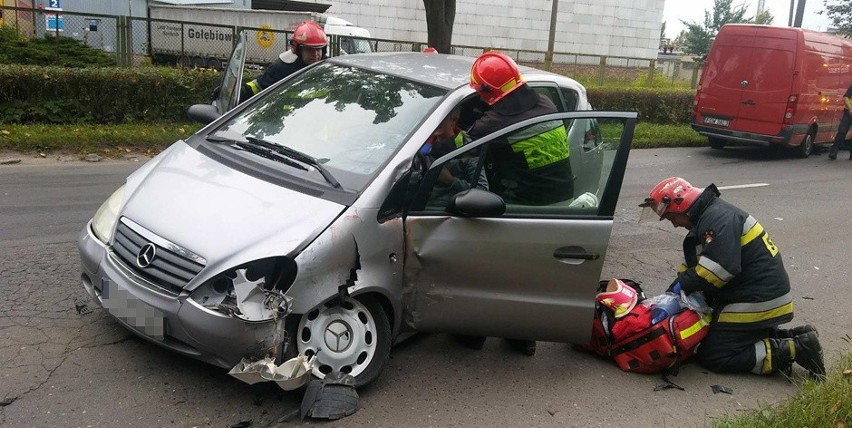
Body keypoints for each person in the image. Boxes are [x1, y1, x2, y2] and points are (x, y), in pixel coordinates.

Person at [639, 177, 825, 380]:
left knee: (715, 355)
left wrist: (683, 284)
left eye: (671, 218)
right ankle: (796, 336)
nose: (673, 224)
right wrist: (675, 289)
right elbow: (697, 266)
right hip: (756, 294)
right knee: (711, 336)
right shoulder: (711, 217)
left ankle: (796, 348)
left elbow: (719, 270)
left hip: (758, 301)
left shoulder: (717, 220)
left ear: (680, 205)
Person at [466, 51, 573, 206]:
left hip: (529, 206)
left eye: (479, 92)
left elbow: (461, 145)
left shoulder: (495, 122)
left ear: (487, 91)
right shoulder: (545, 103)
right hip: (566, 199)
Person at [239, 21, 327, 103]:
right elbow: (257, 87)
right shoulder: (281, 68)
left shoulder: (327, 68)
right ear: (299, 50)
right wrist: (240, 96)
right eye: (310, 49)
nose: (315, 54)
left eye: (318, 49)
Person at [421, 107, 488, 208]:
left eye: (442, 119)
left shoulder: (467, 148)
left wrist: (451, 181)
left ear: (453, 120)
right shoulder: (420, 145)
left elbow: (482, 191)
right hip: (418, 208)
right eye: (433, 119)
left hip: (448, 212)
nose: (436, 123)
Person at [828, 84, 852, 160]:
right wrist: (850, 108)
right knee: (842, 131)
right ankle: (834, 151)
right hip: (849, 112)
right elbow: (846, 98)